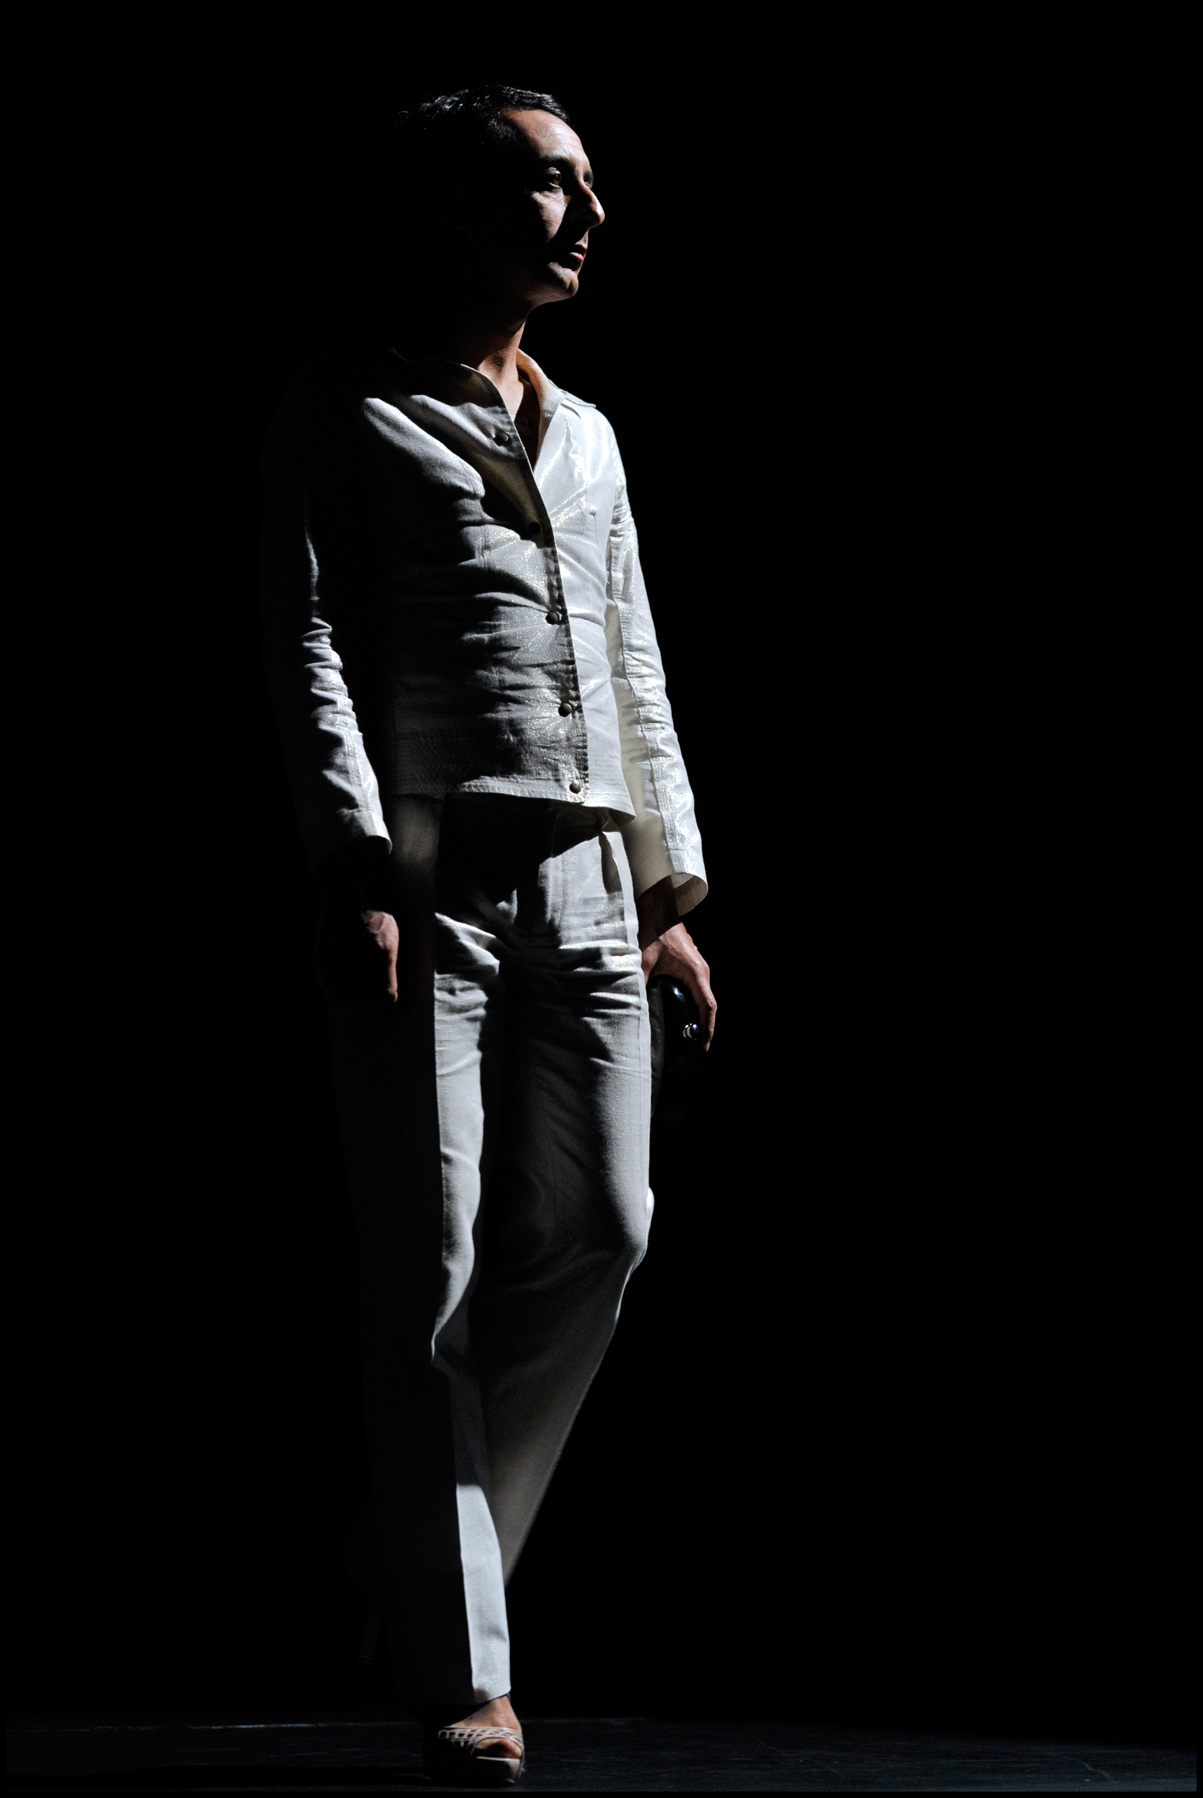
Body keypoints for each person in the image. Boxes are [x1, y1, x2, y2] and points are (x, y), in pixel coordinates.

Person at [260, 85, 715, 1786]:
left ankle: (415, 1546)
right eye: (547, 183)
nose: (586, 212)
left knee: (607, 1227)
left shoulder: (588, 432)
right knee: (430, 1264)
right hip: (431, 880)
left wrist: (667, 895)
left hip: (589, 877)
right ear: (452, 209)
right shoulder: (347, 403)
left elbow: (634, 661)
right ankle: (467, 1664)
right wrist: (356, 864)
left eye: (591, 183)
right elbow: (306, 639)